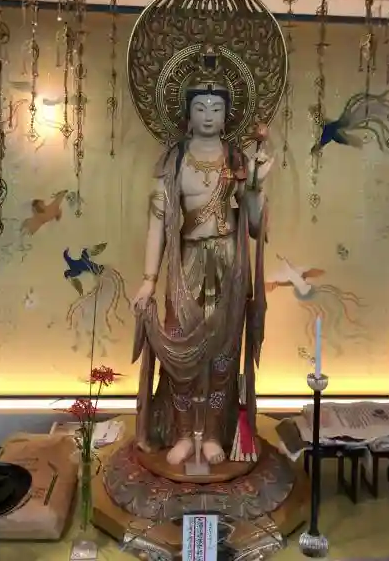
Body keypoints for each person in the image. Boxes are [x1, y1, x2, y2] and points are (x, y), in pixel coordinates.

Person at [131, 45, 273, 466]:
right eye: (200, 107)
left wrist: (256, 187)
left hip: (229, 264)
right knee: (181, 351)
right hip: (186, 264)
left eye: (216, 107)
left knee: (223, 352)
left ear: (227, 114)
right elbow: (158, 222)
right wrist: (149, 279)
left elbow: (253, 225)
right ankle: (181, 432)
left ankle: (211, 432)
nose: (208, 115)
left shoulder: (239, 159)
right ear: (187, 114)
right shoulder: (173, 162)